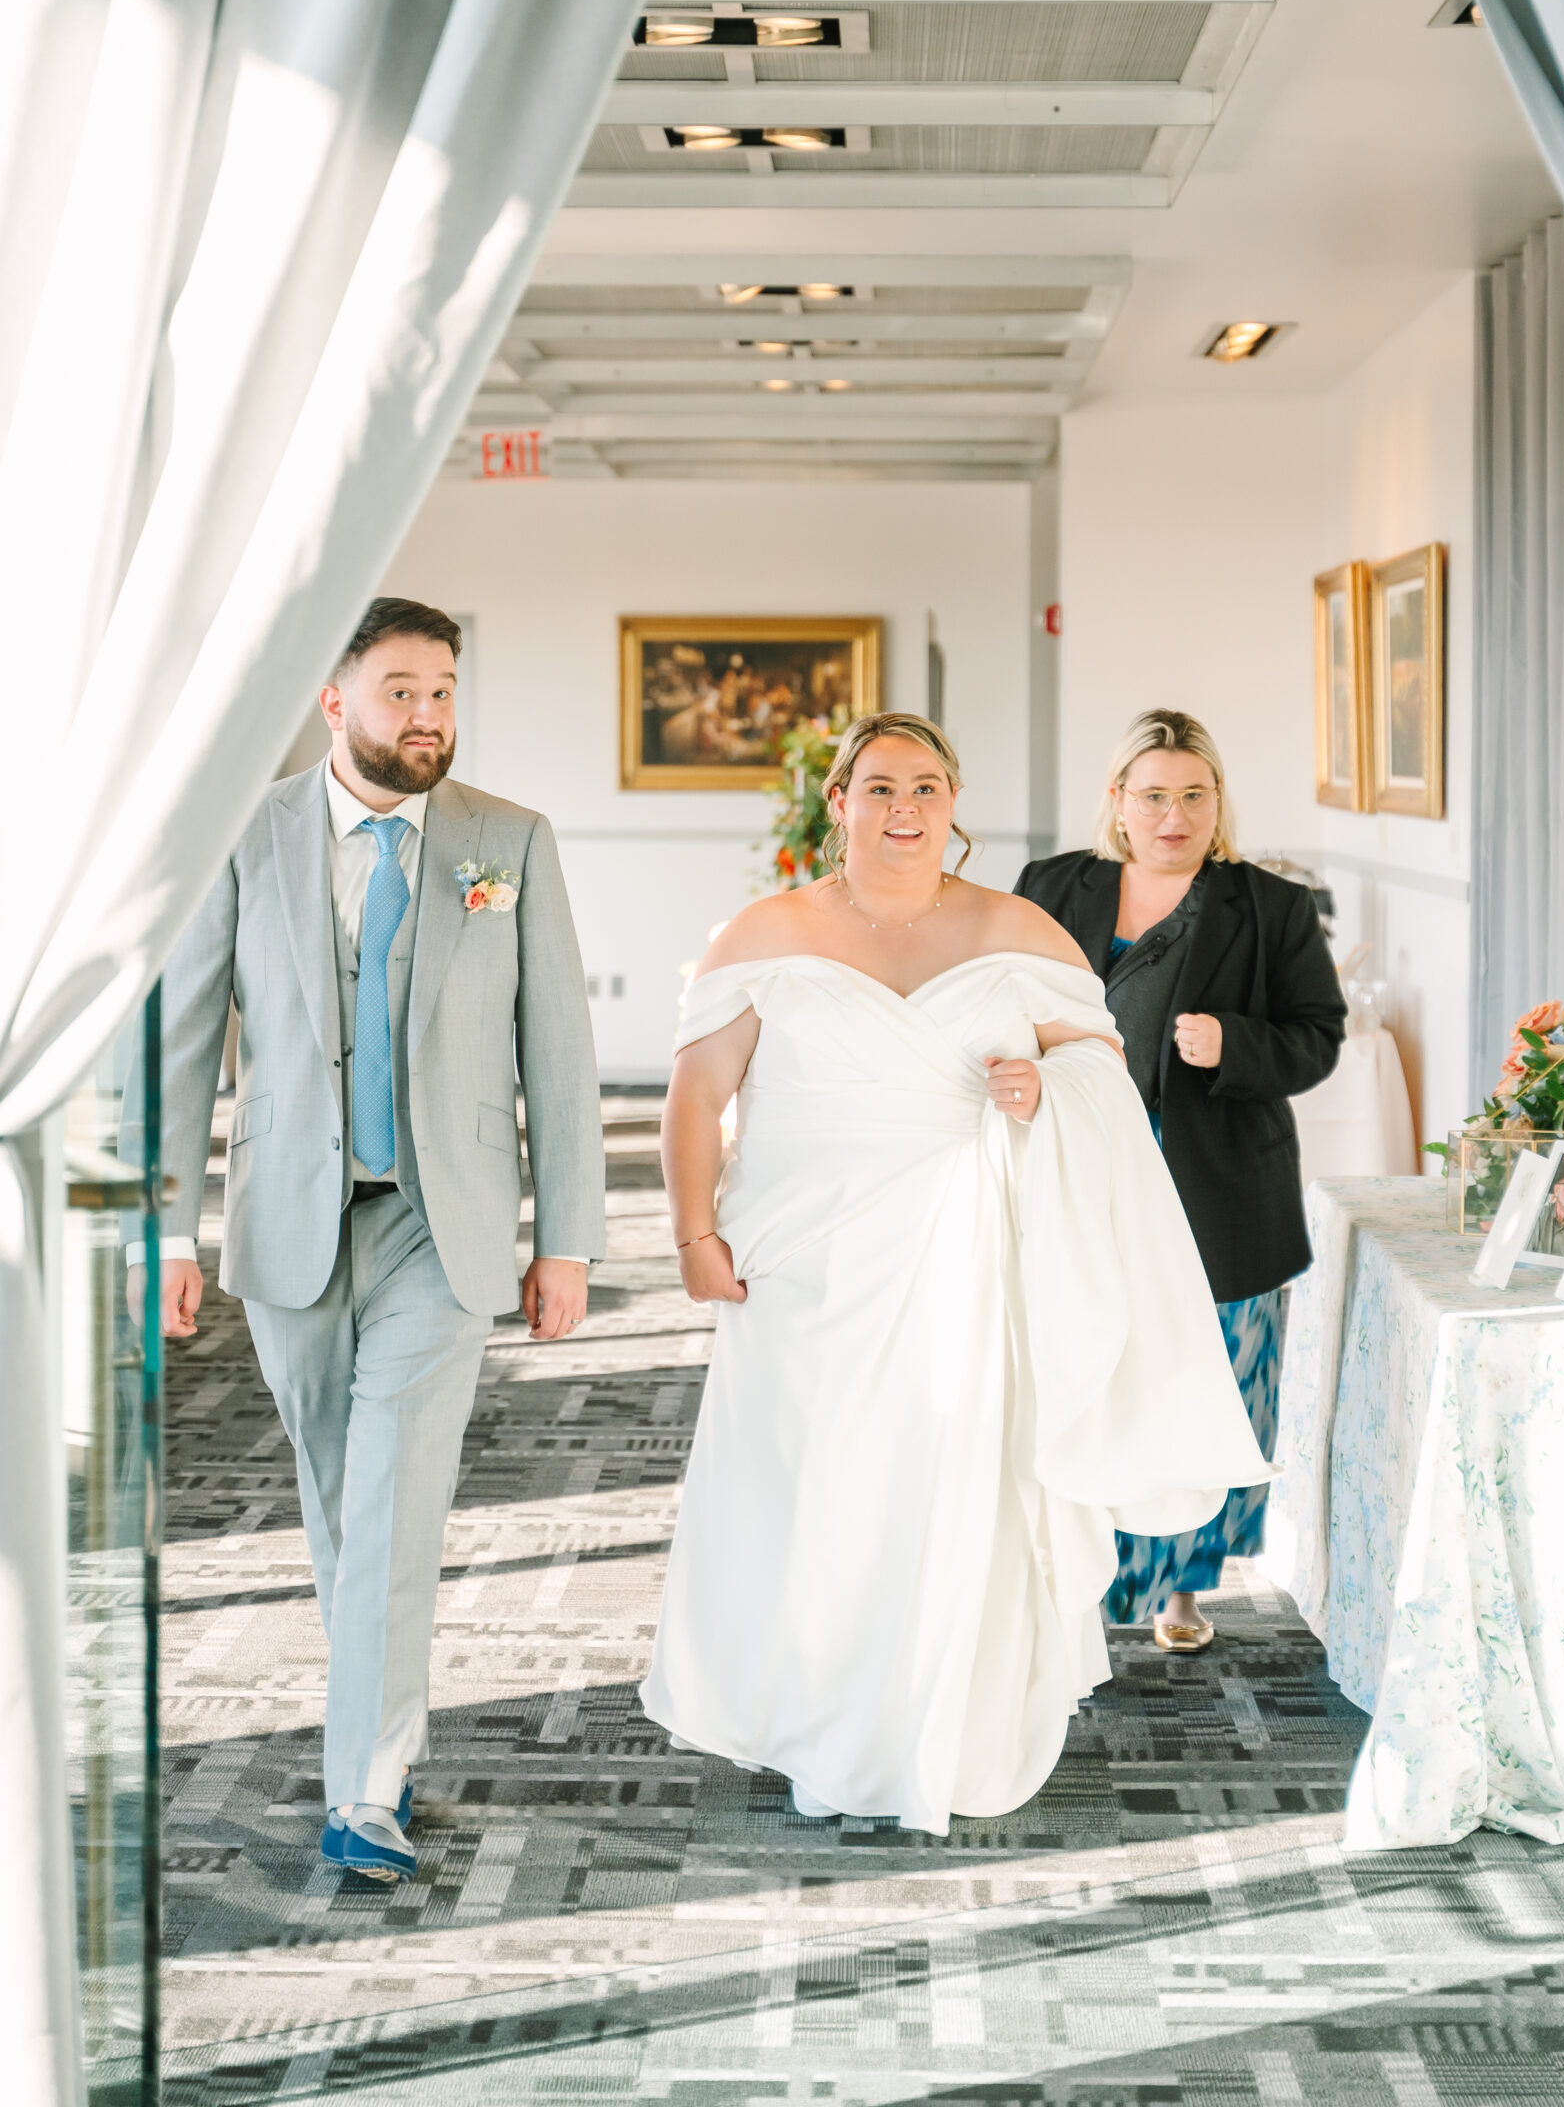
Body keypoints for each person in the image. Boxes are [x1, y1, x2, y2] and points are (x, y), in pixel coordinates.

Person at [642, 712, 1272, 1834]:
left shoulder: (1017, 928)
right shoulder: (766, 932)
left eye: (926, 787)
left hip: (973, 1255)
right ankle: (825, 1728)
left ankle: (951, 1723)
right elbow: (697, 1094)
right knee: (820, 1492)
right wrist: (697, 1238)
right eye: (879, 786)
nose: (903, 808)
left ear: (951, 804)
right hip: (807, 1263)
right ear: (837, 802)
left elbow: (1094, 1065)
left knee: (949, 1485)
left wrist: (1041, 1089)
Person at [129, 598, 602, 1879]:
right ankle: (375, 1723)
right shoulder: (246, 833)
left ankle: (365, 1788)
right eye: (402, 691)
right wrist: (160, 1231)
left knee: (394, 1496)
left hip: (439, 1229)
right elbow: (178, 1044)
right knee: (341, 1494)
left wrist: (568, 1237)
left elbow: (557, 1051)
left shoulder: (508, 841)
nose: (430, 716)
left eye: (444, 690)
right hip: (289, 1221)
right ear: (334, 702)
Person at [1017, 709, 1343, 1656]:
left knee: (1220, 1380)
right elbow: (998, 996)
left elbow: (1318, 1035)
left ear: (1216, 803)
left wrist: (1232, 1043)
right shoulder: (1049, 889)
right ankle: (1082, 1566)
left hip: (1217, 1187)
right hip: (1079, 1170)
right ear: (1117, 802)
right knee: (1090, 1362)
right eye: (1153, 795)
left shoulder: (1267, 906)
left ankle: (1181, 1586)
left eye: (1193, 796)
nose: (1173, 815)